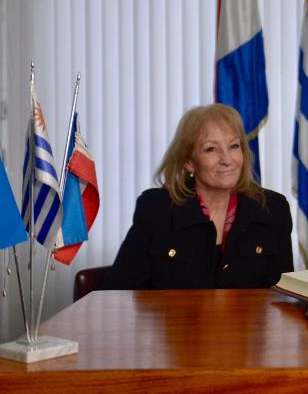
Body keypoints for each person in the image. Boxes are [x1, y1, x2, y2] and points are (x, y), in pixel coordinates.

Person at [103, 104, 293, 289]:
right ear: (188, 162)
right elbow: (118, 292)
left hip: (247, 322)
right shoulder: (156, 209)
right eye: (211, 149)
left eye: (234, 146)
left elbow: (283, 299)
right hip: (174, 321)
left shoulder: (273, 209)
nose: (227, 160)